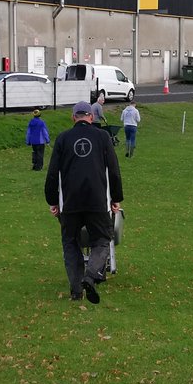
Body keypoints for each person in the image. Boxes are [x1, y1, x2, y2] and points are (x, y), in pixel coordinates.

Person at [45, 101, 124, 303]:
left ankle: (76, 290)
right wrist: (116, 199)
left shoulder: (63, 138)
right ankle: (90, 276)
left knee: (70, 243)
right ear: (91, 117)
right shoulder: (103, 137)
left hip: (70, 202)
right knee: (101, 240)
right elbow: (114, 170)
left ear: (73, 118)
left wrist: (53, 201)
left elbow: (53, 173)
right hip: (97, 200)